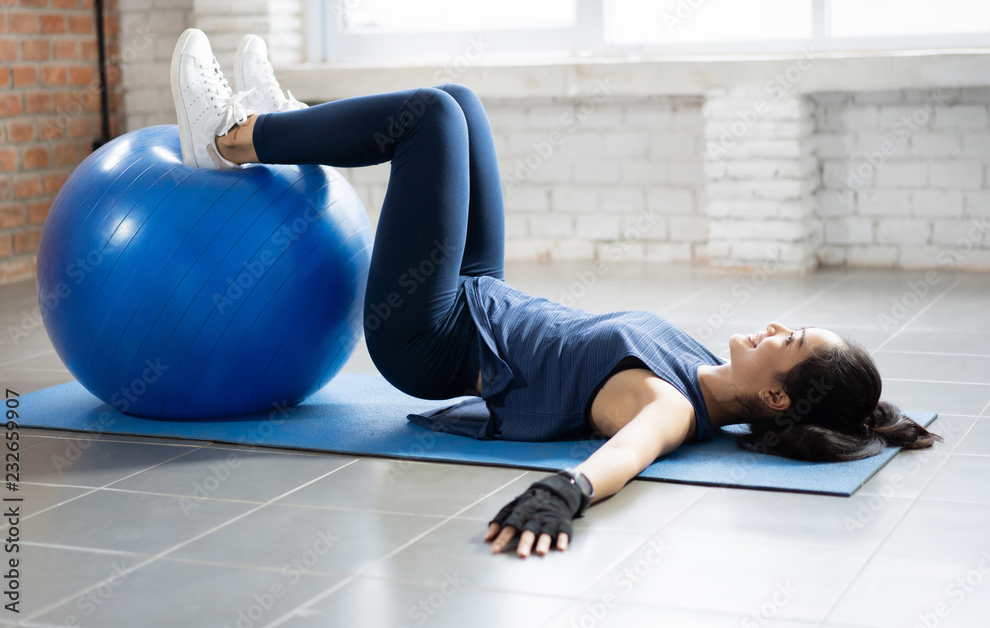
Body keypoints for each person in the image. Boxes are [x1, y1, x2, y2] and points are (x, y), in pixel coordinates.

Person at [170, 28, 942, 560]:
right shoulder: (703, 367)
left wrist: (563, 495)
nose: (776, 326)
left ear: (777, 400)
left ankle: (229, 135)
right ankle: (293, 125)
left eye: (791, 341)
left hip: (431, 337)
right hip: (479, 296)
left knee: (431, 119)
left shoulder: (672, 407)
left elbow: (628, 452)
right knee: (460, 99)